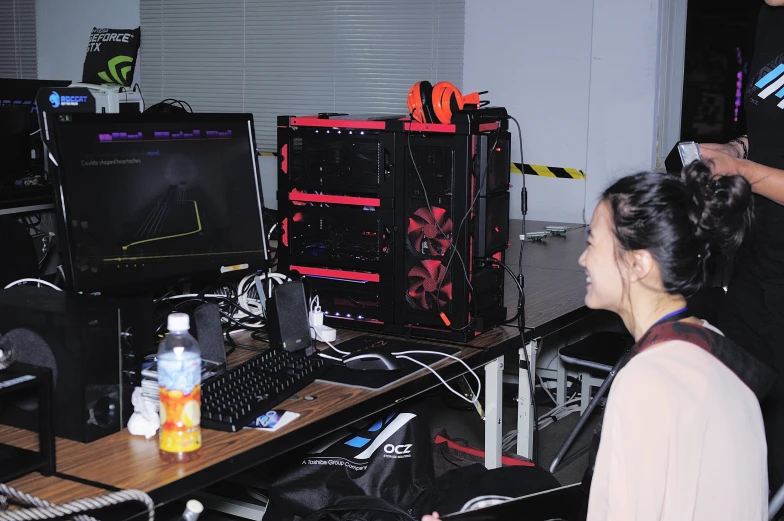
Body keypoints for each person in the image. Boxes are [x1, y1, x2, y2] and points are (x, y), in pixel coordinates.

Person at [422, 162, 772, 521]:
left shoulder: (647, 383)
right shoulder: (712, 346)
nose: (583, 259)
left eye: (593, 243)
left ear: (637, 264)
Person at [699, 0, 784, 494]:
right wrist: (738, 149)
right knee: (744, 425)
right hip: (757, 258)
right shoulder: (770, 16)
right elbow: (774, 127)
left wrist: (745, 173)